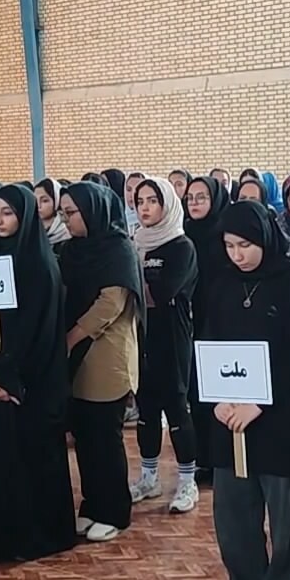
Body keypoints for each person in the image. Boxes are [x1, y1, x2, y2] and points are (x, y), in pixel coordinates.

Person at [206, 200, 290, 580]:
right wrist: (217, 399)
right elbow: (208, 343)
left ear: (266, 239)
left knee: (286, 519)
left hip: (279, 421)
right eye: (230, 245)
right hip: (230, 418)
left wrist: (261, 403)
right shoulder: (220, 285)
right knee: (234, 516)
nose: (238, 255)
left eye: (245, 245)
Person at [0, 184, 77, 561]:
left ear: (25, 215)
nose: (0, 221)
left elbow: (37, 329)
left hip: (31, 383)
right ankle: (4, 540)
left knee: (34, 458)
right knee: (2, 459)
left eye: (8, 213)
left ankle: (41, 537)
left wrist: (7, 374)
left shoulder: (39, 264)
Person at [60, 181, 143, 542]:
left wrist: (71, 337)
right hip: (76, 356)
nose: (66, 220)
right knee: (85, 436)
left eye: (71, 213)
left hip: (105, 356)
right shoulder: (72, 250)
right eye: (62, 213)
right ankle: (92, 505)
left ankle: (114, 511)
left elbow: (111, 303)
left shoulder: (117, 248)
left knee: (105, 438)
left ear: (93, 211)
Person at [129, 176, 200, 513]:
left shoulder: (181, 246)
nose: (145, 208)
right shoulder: (135, 243)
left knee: (176, 407)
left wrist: (130, 283)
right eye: (140, 201)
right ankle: (149, 477)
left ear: (167, 204)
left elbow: (161, 293)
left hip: (172, 336)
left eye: (152, 201)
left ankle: (187, 481)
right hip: (140, 335)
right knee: (146, 409)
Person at [183, 175, 232, 483]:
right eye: (190, 197)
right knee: (197, 394)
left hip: (221, 324)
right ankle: (204, 459)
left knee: (221, 392)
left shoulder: (225, 235)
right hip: (191, 324)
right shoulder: (184, 233)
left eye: (201, 197)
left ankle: (223, 459)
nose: (195, 203)